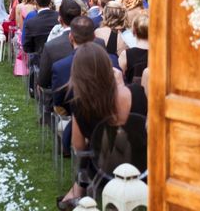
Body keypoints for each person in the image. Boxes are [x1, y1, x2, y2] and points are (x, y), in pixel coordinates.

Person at [57, 42, 147, 209]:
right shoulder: (137, 92)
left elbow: (78, 147)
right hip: (141, 167)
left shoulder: (81, 104)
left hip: (103, 171)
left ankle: (76, 193)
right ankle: (75, 193)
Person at [38, 0, 82, 90]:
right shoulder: (97, 43)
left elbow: (43, 81)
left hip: (60, 95)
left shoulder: (51, 47)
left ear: (60, 19)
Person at [119, 11, 149, 84]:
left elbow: (120, 78)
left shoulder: (126, 54)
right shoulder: (161, 53)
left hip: (133, 93)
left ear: (134, 31)